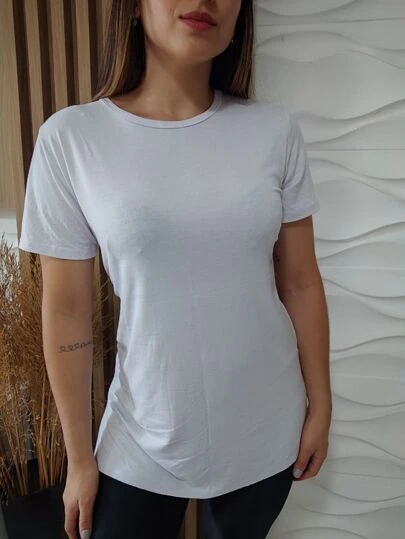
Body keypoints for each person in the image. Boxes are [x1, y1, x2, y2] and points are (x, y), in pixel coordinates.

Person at [18, 0, 332, 538]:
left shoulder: (273, 130)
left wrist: (321, 404)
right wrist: (80, 459)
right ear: (133, 8)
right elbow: (67, 310)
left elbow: (301, 282)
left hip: (267, 428)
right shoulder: (71, 139)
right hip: (141, 435)